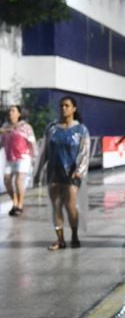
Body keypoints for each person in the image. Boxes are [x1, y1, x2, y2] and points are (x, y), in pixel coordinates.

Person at [34, 96, 90, 250]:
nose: (63, 108)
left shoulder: (81, 130)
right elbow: (44, 151)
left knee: (70, 204)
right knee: (56, 205)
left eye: (66, 105)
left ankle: (74, 234)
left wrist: (80, 170)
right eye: (61, 105)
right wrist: (37, 172)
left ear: (74, 108)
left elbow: (84, 152)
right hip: (54, 172)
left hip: (72, 174)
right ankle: (60, 239)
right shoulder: (52, 129)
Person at [0, 105, 37, 216]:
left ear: (19, 114)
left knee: (18, 181)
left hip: (23, 157)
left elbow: (32, 142)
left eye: (13, 111)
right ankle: (15, 202)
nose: (10, 113)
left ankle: (19, 205)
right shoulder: (5, 126)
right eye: (9, 111)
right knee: (7, 180)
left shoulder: (26, 127)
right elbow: (1, 142)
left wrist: (34, 157)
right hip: (10, 158)